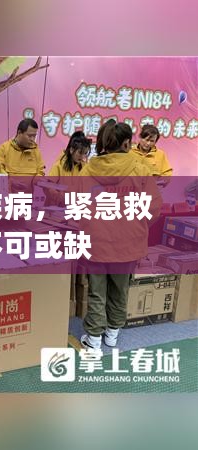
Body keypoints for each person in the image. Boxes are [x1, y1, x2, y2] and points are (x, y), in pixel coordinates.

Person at [78, 122, 162, 350]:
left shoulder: (87, 171)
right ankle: (112, 334)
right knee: (120, 289)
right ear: (126, 143)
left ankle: (94, 340)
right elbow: (154, 207)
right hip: (128, 242)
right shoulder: (140, 169)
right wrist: (136, 225)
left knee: (96, 292)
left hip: (96, 241)